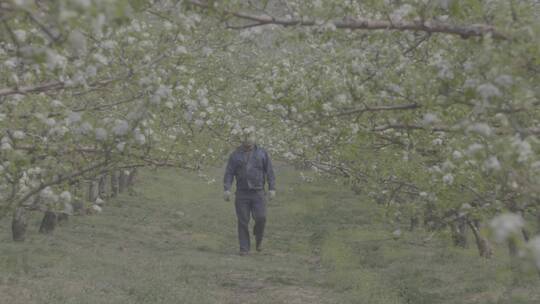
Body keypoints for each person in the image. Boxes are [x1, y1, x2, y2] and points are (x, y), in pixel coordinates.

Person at [223, 128, 276, 256]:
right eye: (246, 140)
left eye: (250, 139)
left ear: (254, 139)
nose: (248, 142)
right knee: (243, 220)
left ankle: (259, 240)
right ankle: (244, 248)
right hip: (242, 193)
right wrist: (227, 189)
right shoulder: (235, 155)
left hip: (258, 192)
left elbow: (269, 172)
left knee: (261, 218)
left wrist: (272, 188)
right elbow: (229, 173)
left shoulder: (262, 153)